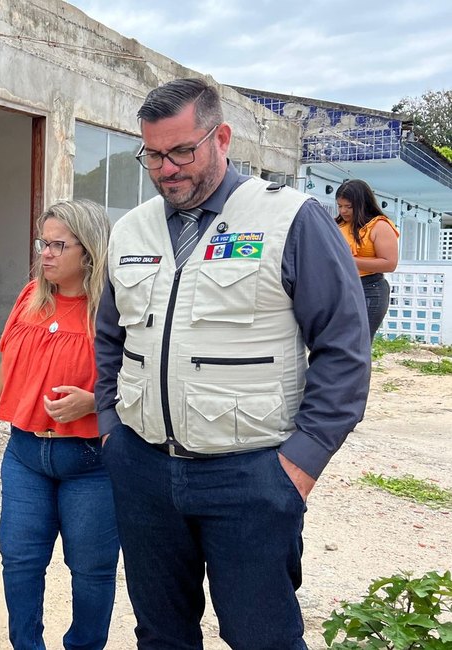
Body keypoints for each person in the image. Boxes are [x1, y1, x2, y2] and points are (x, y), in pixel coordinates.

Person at [94, 78, 370, 649]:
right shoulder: (131, 229)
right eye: (153, 155)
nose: (167, 169)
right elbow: (109, 338)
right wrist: (110, 431)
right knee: (161, 635)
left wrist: (299, 465)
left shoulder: (291, 220)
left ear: (221, 137)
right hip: (144, 471)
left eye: (181, 151)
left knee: (261, 636)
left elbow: (344, 349)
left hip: (250, 478)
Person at [0, 200, 119, 650]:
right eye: (43, 243)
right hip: (26, 455)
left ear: (89, 252)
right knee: (19, 560)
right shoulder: (31, 295)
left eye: (58, 245)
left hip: (91, 460)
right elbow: (8, 363)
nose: (46, 254)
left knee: (91, 570)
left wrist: (93, 402)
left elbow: (145, 377)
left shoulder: (112, 309)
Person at [335, 179, 400, 341]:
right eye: (340, 206)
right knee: (340, 342)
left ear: (362, 203)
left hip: (369, 289)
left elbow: (389, 263)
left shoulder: (379, 226)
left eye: (348, 206)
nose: (343, 211)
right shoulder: (339, 225)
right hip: (342, 287)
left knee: (358, 344)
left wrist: (350, 260)